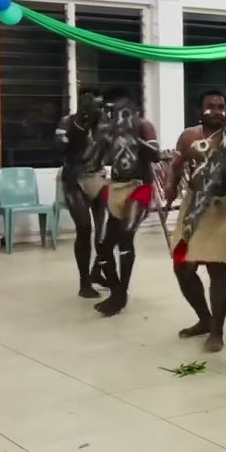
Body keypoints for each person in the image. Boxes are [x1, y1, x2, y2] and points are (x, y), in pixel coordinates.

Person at [164, 90, 226, 352]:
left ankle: (217, 332)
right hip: (192, 208)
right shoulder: (188, 136)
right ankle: (204, 319)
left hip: (222, 211)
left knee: (216, 270)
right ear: (200, 109)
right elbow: (176, 168)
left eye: (221, 106)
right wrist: (169, 194)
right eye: (210, 106)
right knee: (181, 267)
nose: (216, 110)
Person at [94, 87, 159, 317]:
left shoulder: (143, 125)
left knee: (125, 236)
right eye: (112, 110)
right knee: (102, 246)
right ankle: (117, 291)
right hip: (117, 187)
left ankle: (120, 295)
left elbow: (156, 155)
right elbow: (97, 158)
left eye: (121, 110)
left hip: (139, 186)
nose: (117, 114)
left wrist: (136, 138)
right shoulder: (108, 130)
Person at [54, 89, 109, 297]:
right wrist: (79, 128)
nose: (96, 109)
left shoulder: (105, 124)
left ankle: (97, 271)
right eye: (92, 104)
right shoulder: (67, 122)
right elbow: (58, 148)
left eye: (99, 105)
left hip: (97, 177)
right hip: (73, 179)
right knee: (84, 228)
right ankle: (84, 283)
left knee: (105, 232)